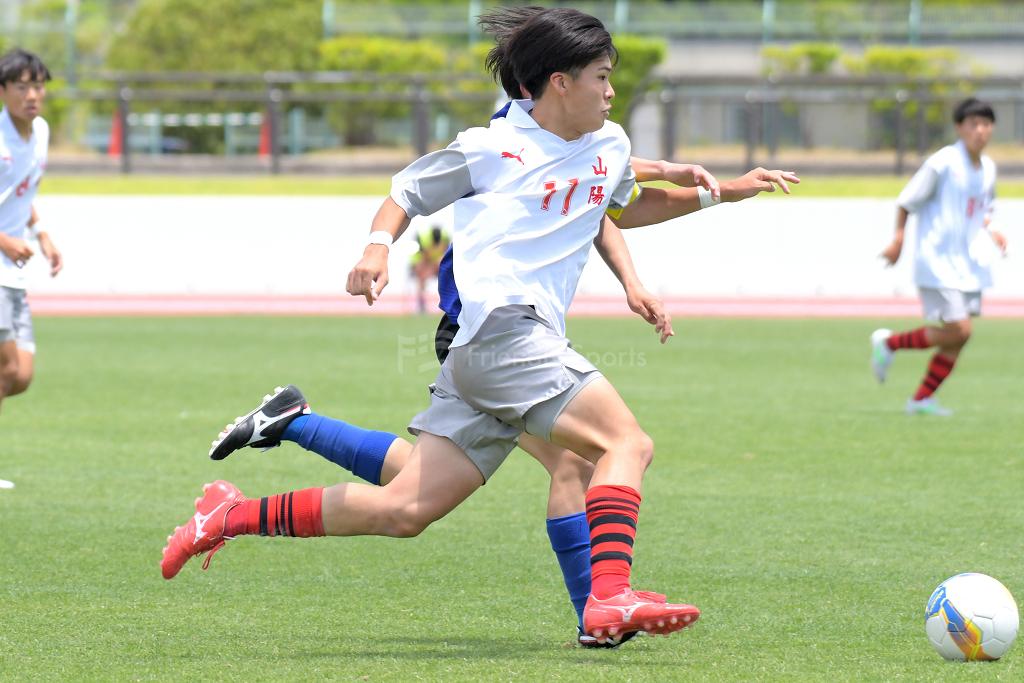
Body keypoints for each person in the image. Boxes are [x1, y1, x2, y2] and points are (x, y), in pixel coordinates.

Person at [163, 7, 797, 644]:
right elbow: (406, 193)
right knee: (624, 445)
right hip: (505, 331)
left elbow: (626, 207)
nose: (611, 90)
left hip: (485, 352)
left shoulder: (610, 144)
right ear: (559, 83)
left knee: (404, 508)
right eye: (602, 77)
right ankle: (607, 600)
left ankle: (229, 514)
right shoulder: (494, 146)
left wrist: (724, 192)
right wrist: (376, 249)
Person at [871, 97, 1006, 416]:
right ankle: (888, 344)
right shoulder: (942, 163)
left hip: (969, 263)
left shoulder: (987, 168)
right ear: (959, 127)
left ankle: (920, 400)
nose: (980, 130)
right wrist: (899, 238)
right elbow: (907, 201)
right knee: (961, 330)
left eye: (986, 124)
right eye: (973, 123)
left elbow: (983, 208)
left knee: (956, 340)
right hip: (937, 259)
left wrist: (993, 229)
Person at [0, 49, 62, 490]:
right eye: (20, 86)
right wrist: (5, 241)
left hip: (15, 268)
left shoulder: (39, 133)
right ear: (3, 91)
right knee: (6, 368)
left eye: (37, 85)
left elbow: (22, 192)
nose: (31, 95)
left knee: (19, 376)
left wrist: (41, 233)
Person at [409, 224, 451, 313]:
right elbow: (424, 257)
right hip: (420, 261)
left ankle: (449, 303)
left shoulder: (445, 237)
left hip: (435, 261)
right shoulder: (422, 238)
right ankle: (421, 304)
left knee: (448, 273)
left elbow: (446, 253)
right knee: (421, 276)